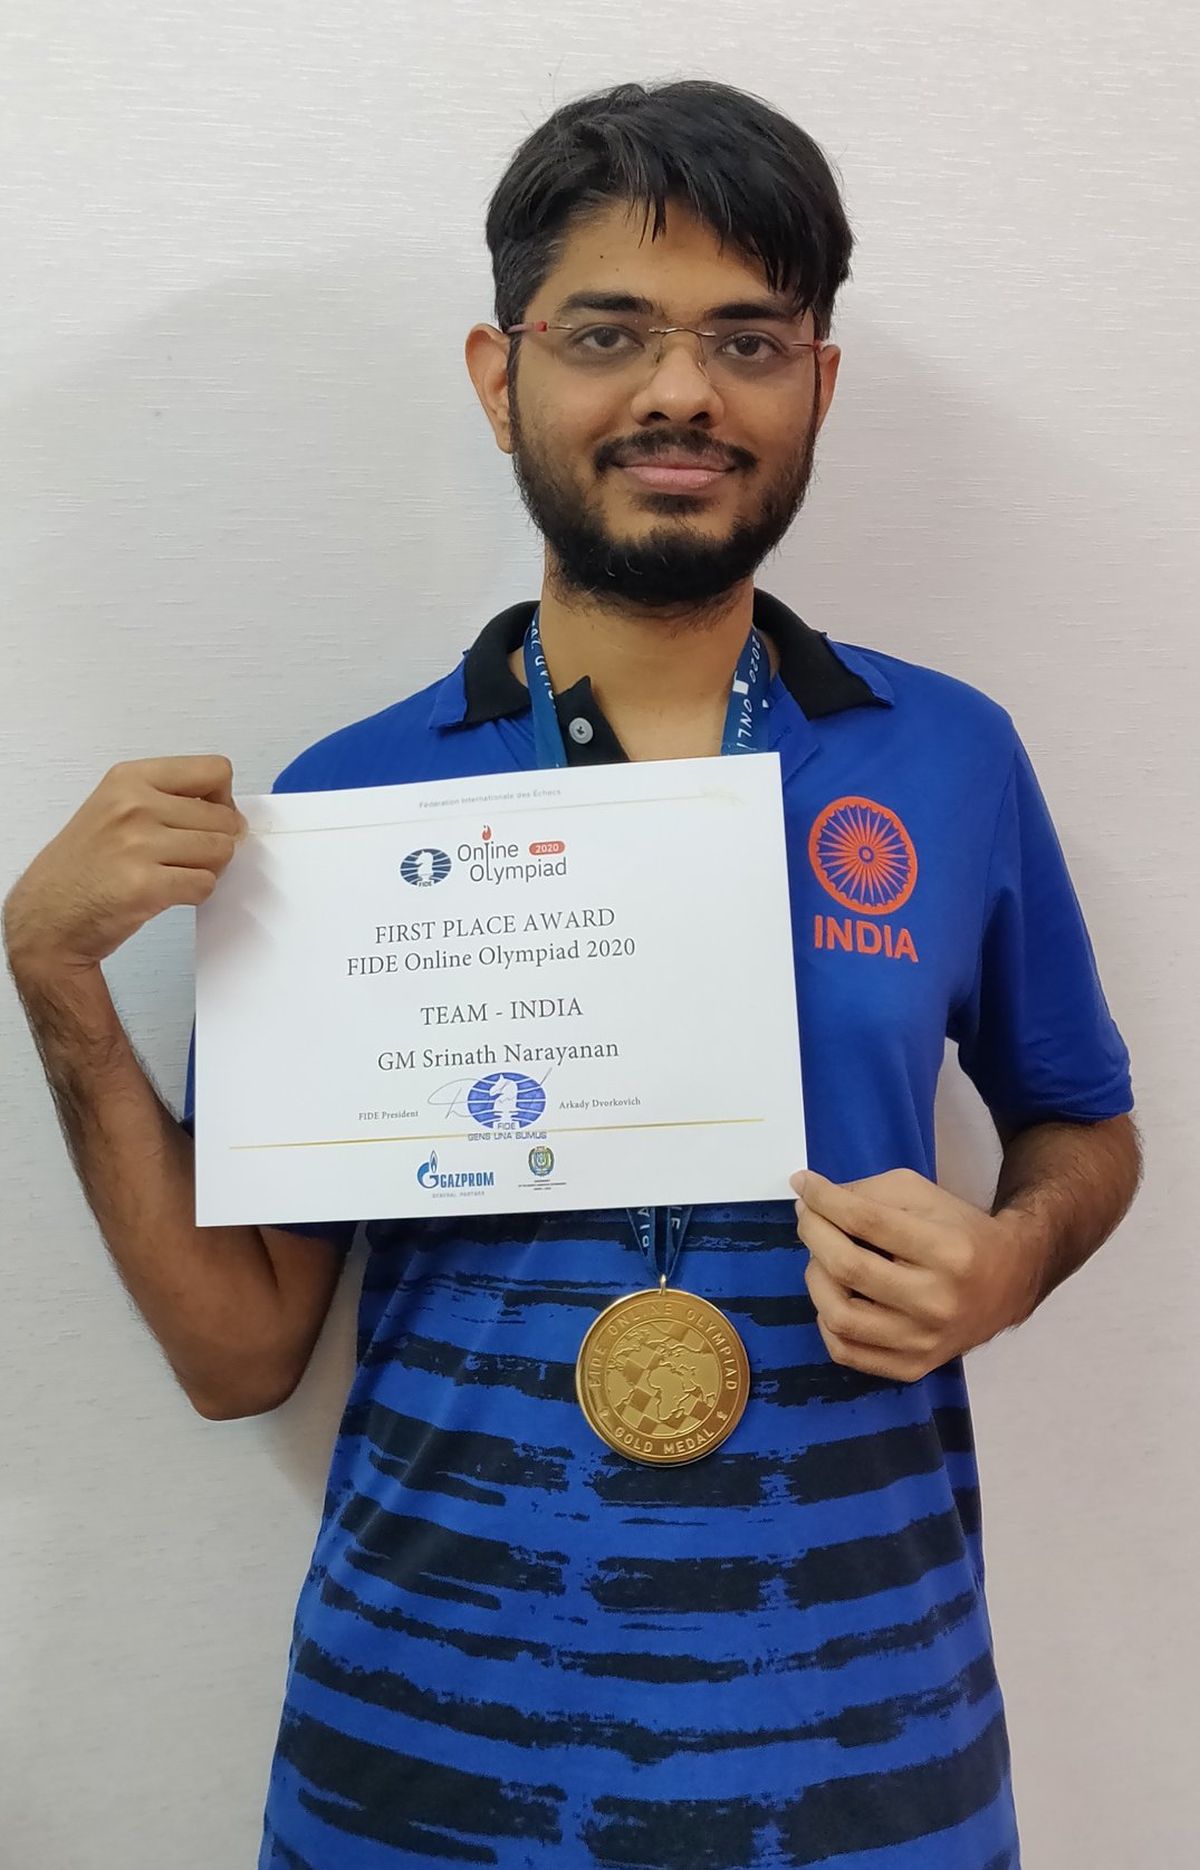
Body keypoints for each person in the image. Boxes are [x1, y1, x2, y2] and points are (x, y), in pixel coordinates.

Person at [3, 78, 1141, 1870]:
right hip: (419, 1775)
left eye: (747, 337)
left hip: (872, 1766)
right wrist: (57, 980)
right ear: (498, 371)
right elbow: (240, 1355)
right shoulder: (352, 805)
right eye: (609, 330)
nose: (680, 390)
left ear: (815, 387)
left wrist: (1012, 1259)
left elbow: (1084, 1122)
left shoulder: (954, 758)